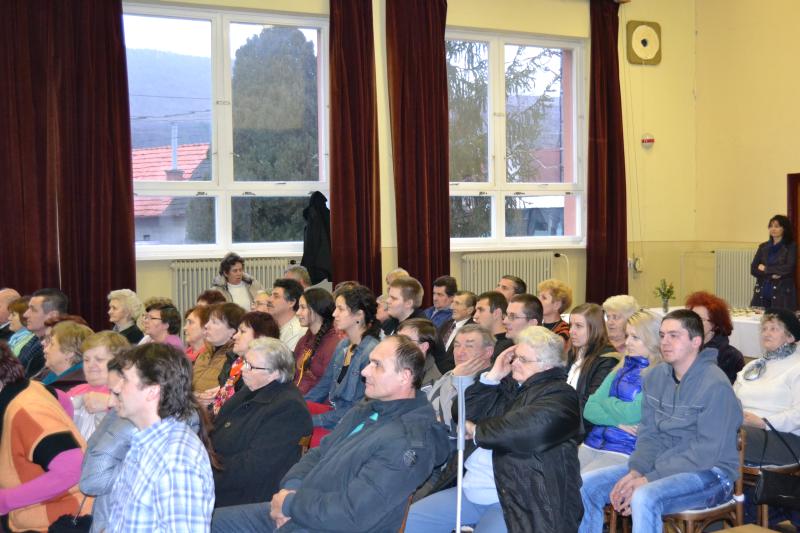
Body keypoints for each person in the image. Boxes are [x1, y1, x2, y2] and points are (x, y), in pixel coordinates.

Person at [210, 335, 450, 533]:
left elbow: (352, 514)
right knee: (204, 522)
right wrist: (291, 490)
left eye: (377, 365)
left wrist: (291, 505)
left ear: (404, 376)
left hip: (326, 524)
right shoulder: (369, 409)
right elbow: (317, 453)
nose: (365, 371)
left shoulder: (409, 441)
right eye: (369, 362)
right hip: (302, 509)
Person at [579, 310, 742, 533]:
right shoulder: (655, 377)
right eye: (662, 335)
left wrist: (649, 478)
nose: (665, 342)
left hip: (711, 474)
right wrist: (636, 471)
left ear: (696, 341)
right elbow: (649, 435)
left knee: (644, 496)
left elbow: (705, 453)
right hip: (660, 466)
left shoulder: (715, 385)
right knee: (588, 486)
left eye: (674, 336)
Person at [407, 326, 583, 533]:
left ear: (547, 365)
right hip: (470, 490)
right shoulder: (504, 384)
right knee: (410, 523)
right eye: (515, 357)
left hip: (517, 498)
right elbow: (462, 412)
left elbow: (523, 430)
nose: (514, 363)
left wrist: (476, 431)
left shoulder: (561, 395)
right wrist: (492, 377)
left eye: (523, 359)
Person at [105, 343, 216, 532]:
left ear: (152, 391)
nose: (116, 387)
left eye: (125, 380)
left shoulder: (176, 461)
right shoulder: (145, 441)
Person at [212, 337, 312, 508]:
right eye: (244, 362)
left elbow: (253, 467)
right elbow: (216, 430)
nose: (243, 369)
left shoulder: (289, 409)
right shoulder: (250, 390)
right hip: (221, 477)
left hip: (247, 495)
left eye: (250, 366)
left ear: (275, 373)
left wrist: (206, 472)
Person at [0, 343, 89, 532]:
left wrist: (5, 500)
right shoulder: (28, 387)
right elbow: (63, 400)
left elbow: (72, 469)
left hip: (60, 520)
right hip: (32, 515)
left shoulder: (26, 411)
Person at [580, 310, 661, 474]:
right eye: (627, 335)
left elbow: (632, 414)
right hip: (592, 442)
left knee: (582, 483)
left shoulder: (658, 373)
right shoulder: (619, 368)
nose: (628, 342)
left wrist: (606, 401)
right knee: (559, 478)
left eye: (635, 337)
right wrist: (616, 422)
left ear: (652, 340)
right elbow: (589, 409)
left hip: (625, 448)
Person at [305, 285, 381, 430]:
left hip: (351, 424)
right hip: (336, 414)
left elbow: (358, 410)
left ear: (359, 315)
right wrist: (299, 406)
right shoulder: (343, 345)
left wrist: (315, 420)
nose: (334, 314)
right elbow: (324, 386)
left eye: (340, 309)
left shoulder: (371, 352)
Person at [734, 308, 800, 465]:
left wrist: (764, 422)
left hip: (784, 437)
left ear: (790, 336)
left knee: (722, 435)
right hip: (742, 429)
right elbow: (731, 397)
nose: (766, 333)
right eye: (764, 329)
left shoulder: (796, 367)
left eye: (774, 329)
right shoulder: (753, 366)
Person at [80, 357, 138, 533]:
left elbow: (92, 481)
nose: (111, 401)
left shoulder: (130, 423)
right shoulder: (121, 414)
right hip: (104, 518)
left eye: (117, 393)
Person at [211, 311, 280, 416]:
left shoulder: (260, 372)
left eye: (242, 332)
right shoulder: (234, 362)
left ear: (261, 338)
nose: (234, 336)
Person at [567, 303, 620, 431]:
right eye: (570, 325)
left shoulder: (607, 360)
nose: (571, 331)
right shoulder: (574, 353)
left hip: (585, 427)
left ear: (595, 328)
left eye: (578, 326)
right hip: (568, 416)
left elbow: (590, 404)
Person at [68, 331, 130, 439]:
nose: (91, 365)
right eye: (86, 360)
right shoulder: (76, 390)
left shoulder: (124, 392)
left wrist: (110, 403)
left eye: (99, 359)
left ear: (118, 363)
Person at [685, 290, 745, 383]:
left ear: (715, 324)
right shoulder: (683, 348)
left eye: (700, 319)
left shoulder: (730, 356)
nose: (693, 323)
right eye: (691, 318)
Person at [293, 288, 342, 395]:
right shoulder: (303, 340)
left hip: (316, 401)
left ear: (317, 309)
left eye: (303, 307)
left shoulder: (333, 344)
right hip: (298, 397)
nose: (297, 313)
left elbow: (327, 387)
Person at [193, 303, 245, 403]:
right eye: (208, 321)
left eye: (214, 322)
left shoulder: (235, 360)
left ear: (233, 331)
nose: (206, 325)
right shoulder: (204, 353)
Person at [751, 214, 797, 310]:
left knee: (780, 318)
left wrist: (766, 269)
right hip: (762, 291)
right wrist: (772, 275)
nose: (773, 229)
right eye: (771, 226)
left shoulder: (791, 246)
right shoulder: (763, 246)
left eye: (777, 226)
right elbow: (753, 269)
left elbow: (788, 268)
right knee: (759, 318)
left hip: (782, 294)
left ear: (784, 228)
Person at [21, 288, 68, 377]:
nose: (25, 314)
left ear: (53, 316)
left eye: (33, 310)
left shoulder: (58, 349)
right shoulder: (35, 339)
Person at [36, 320, 93, 391]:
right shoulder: (46, 375)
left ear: (69, 352)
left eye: (52, 344)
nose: (45, 349)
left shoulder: (78, 388)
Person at [437, 290, 477, 373]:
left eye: (457, 303)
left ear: (470, 310)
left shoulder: (473, 330)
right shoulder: (446, 324)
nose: (451, 307)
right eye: (453, 302)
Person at [397, 318, 443, 389]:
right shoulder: (395, 363)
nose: (397, 344)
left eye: (405, 340)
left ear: (423, 347)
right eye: (397, 338)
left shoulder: (432, 382)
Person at [267, 278, 307, 351]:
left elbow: (285, 358)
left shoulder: (296, 331)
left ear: (291, 302)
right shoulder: (273, 326)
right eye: (270, 295)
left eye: (276, 296)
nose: (269, 300)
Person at [473, 291, 514, 359]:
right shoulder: (480, 340)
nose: (475, 316)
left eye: (481, 310)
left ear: (496, 313)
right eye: (476, 311)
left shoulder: (508, 347)